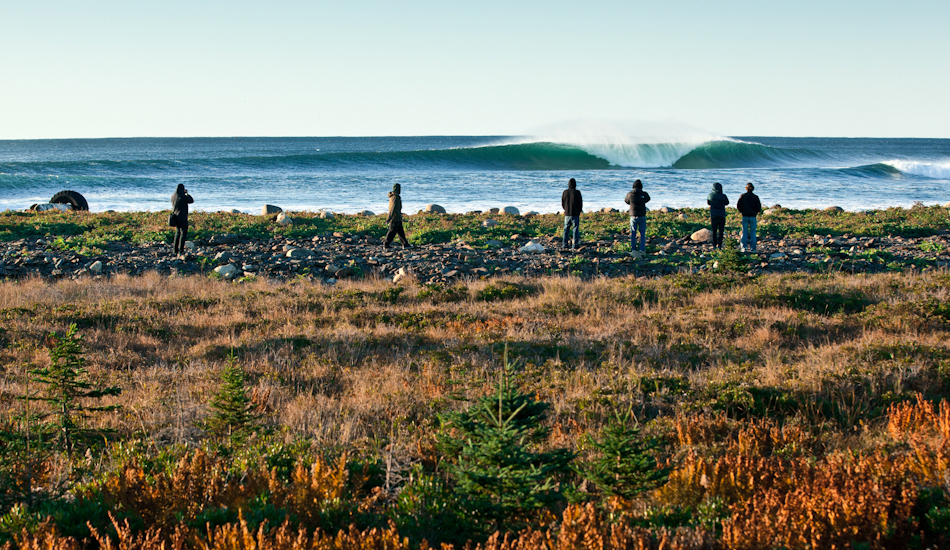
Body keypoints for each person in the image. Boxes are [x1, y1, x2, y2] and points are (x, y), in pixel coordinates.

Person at [624, 179, 650, 254]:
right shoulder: (644, 194)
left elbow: (626, 201)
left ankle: (633, 249)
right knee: (642, 233)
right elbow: (648, 199)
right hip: (642, 215)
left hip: (633, 215)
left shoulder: (630, 194)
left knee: (633, 232)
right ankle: (642, 249)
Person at [736, 182, 762, 253]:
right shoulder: (755, 197)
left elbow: (738, 206)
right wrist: (755, 212)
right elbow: (759, 207)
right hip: (753, 216)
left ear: (746, 188)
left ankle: (744, 248)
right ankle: (753, 248)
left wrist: (742, 211)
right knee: (753, 232)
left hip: (745, 216)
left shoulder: (743, 196)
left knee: (744, 231)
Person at [385, 183, 412, 249]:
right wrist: (389, 218)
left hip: (398, 217)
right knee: (392, 231)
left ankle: (405, 244)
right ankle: (386, 244)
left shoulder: (394, 196)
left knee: (400, 232)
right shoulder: (395, 197)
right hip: (395, 217)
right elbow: (392, 208)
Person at [171, 184, 194, 255]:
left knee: (177, 233)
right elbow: (191, 200)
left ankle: (175, 250)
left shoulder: (173, 196)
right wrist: (187, 194)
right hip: (182, 217)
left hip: (175, 217)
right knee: (183, 234)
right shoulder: (182, 197)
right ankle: (181, 250)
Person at [561, 178, 583, 249]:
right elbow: (580, 204)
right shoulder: (577, 192)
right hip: (575, 214)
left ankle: (565, 245)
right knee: (575, 229)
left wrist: (566, 209)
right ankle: (575, 245)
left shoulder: (565, 192)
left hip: (567, 213)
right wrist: (579, 211)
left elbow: (563, 203)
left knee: (566, 230)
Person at [706, 182, 729, 249]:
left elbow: (708, 203)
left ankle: (714, 245)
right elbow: (727, 203)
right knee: (721, 231)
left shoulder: (710, 195)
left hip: (714, 215)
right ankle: (720, 244)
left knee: (714, 231)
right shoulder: (723, 196)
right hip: (722, 215)